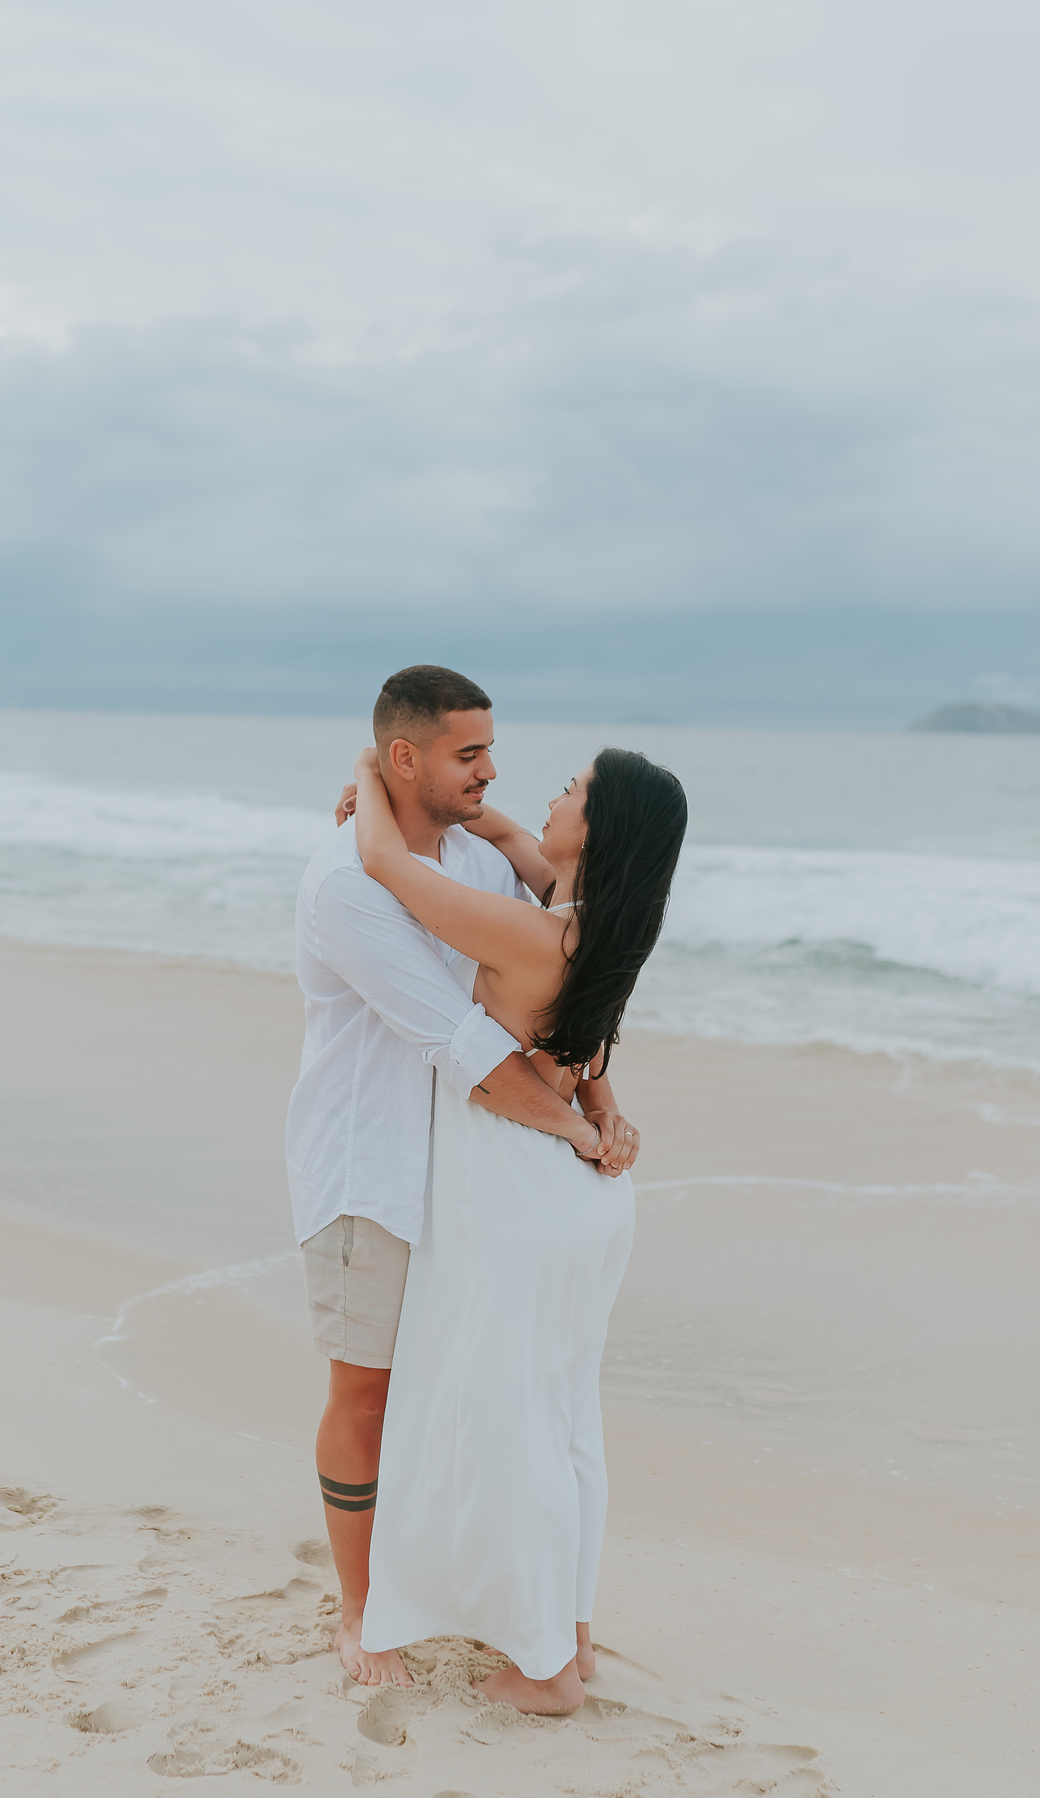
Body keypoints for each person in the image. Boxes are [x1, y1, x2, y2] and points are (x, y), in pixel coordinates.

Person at [284, 666, 640, 1691]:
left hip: (466, 1183)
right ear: (408, 757)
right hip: (373, 1171)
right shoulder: (349, 882)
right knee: (367, 1393)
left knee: (459, 1401)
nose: (494, 769)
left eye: (492, 747)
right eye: (469, 752)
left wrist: (602, 1101)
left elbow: (568, 996)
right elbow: (470, 1049)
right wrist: (581, 1127)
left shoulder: (472, 866)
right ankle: (362, 1613)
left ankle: (479, 1601)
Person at [354, 738, 687, 1714]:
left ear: (600, 828)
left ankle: (542, 1673)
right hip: (582, 1200)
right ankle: (567, 1638)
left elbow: (384, 864)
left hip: (518, 1195)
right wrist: (606, 1105)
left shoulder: (531, 934)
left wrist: (382, 778)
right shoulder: (605, 930)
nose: (551, 796)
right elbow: (577, 1046)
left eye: (573, 790)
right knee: (565, 1423)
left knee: (513, 1427)